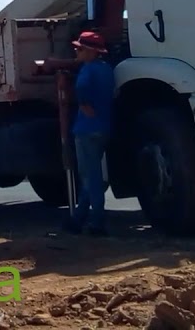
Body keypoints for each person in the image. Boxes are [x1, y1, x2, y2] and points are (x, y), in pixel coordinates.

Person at [63, 30, 114, 236]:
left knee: (90, 177)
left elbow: (82, 89)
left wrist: (83, 103)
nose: (76, 51)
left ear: (91, 52)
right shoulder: (107, 69)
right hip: (104, 128)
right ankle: (78, 219)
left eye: (80, 48)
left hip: (86, 129)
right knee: (92, 175)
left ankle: (97, 222)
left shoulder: (87, 70)